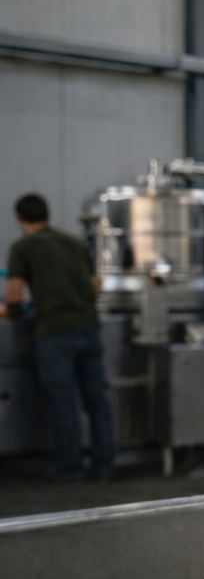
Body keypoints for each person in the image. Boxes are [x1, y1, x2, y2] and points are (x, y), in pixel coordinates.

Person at [5, 194, 115, 480]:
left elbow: (13, 293)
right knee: (96, 399)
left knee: (62, 402)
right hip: (89, 329)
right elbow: (95, 288)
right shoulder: (74, 243)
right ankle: (104, 464)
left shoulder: (22, 247)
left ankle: (70, 468)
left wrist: (17, 312)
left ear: (19, 218)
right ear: (48, 216)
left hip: (54, 333)